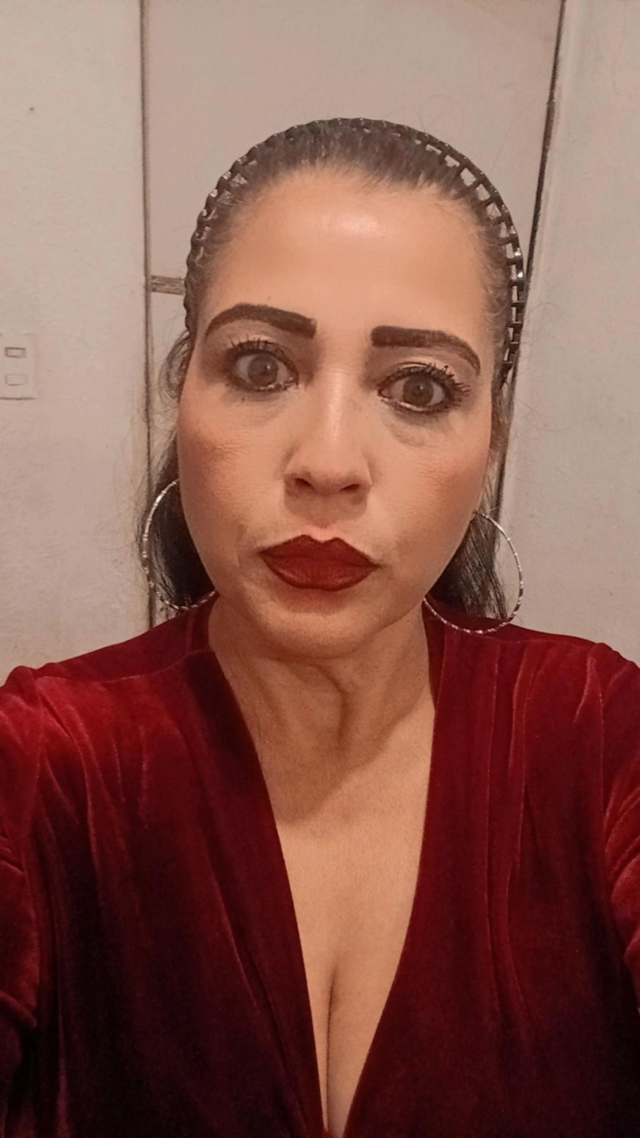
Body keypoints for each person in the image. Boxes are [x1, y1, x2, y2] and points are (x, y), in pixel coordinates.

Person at [0, 117, 639, 1138]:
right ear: (183, 391)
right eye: (260, 367)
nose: (329, 463)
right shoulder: (44, 760)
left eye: (419, 387)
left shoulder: (600, 735)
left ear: (490, 440)